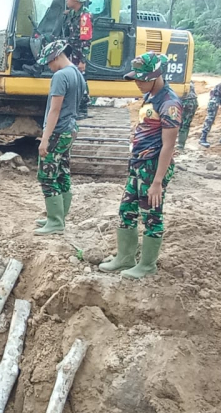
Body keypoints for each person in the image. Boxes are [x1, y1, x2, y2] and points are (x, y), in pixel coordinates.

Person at [99, 52, 181, 279]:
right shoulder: (152, 96)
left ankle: (147, 265)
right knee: (126, 210)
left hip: (153, 166)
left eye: (142, 79)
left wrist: (157, 182)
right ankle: (125, 257)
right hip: (139, 163)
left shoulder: (169, 103)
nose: (137, 83)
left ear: (156, 76)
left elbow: (168, 146)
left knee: (151, 215)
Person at [33, 40, 85, 236]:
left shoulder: (61, 76)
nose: (48, 66)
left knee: (46, 175)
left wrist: (45, 139)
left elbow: (54, 111)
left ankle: (55, 221)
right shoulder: (77, 74)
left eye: (48, 62)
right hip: (70, 129)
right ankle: (59, 216)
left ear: (55, 57)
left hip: (58, 130)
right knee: (62, 171)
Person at [24, 0, 92, 119]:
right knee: (47, 40)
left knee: (80, 76)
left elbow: (86, 40)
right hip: (69, 46)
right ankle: (37, 68)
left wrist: (83, 60)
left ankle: (82, 108)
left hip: (77, 50)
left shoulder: (85, 17)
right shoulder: (72, 13)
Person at [177, 80, 198, 149]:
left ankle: (179, 145)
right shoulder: (188, 80)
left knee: (174, 123)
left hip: (184, 101)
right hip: (192, 101)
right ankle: (181, 144)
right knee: (185, 125)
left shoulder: (176, 79)